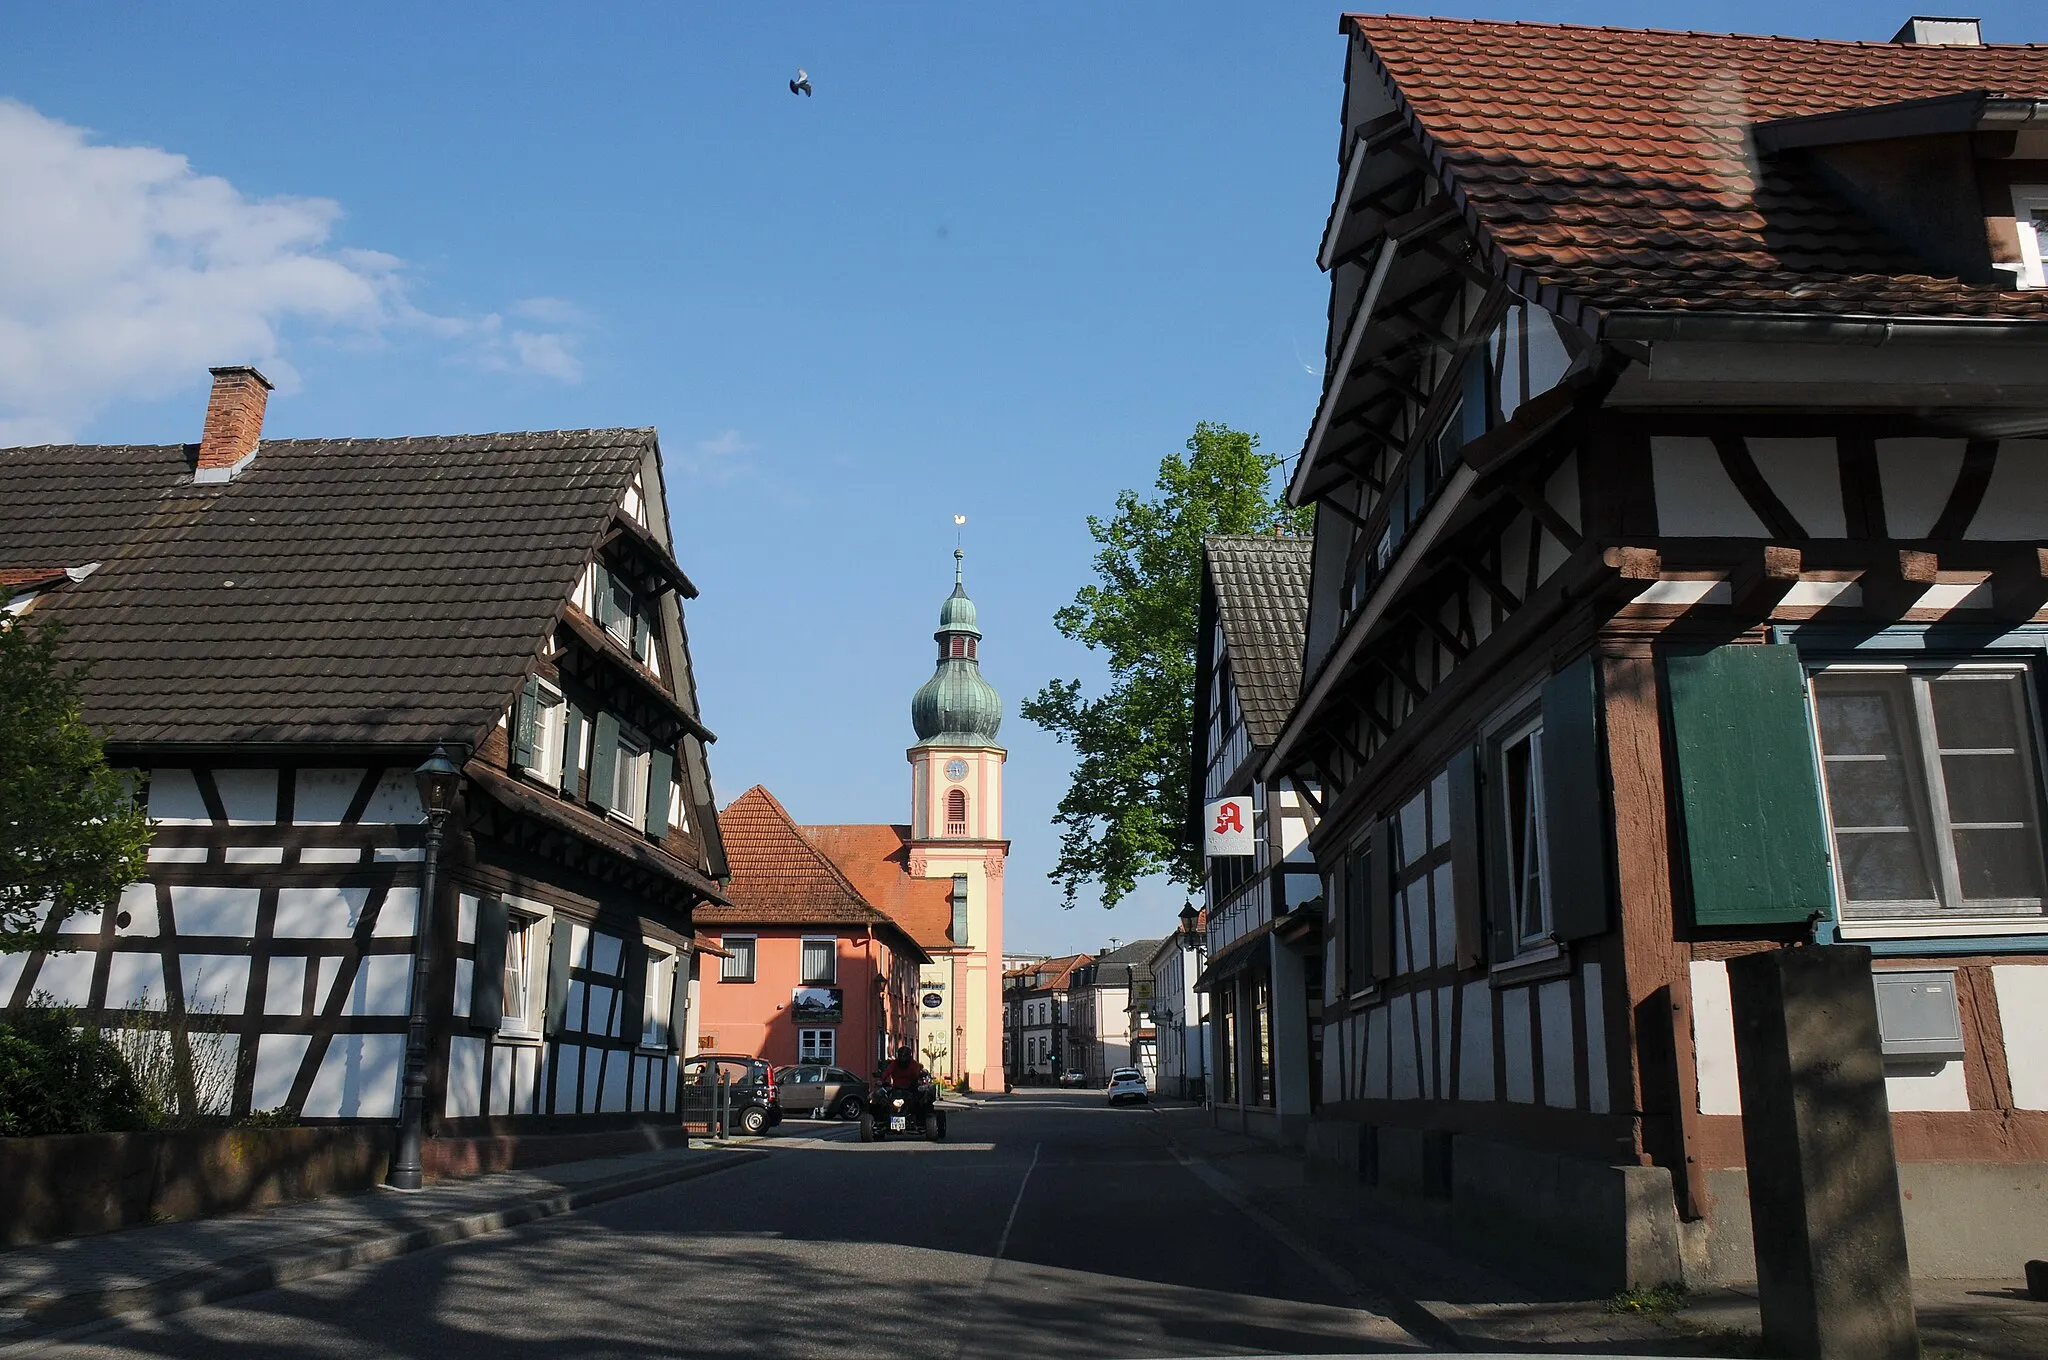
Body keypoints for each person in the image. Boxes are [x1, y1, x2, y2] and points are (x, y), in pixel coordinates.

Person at [875, 1046, 934, 1122]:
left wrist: (920, 1078)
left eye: (904, 1057)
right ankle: (883, 1118)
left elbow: (917, 1074)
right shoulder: (894, 1063)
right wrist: (881, 1079)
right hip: (896, 1089)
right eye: (901, 1057)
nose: (903, 1060)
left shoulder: (914, 1064)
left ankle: (919, 1120)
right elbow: (887, 1072)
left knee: (920, 1102)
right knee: (882, 1099)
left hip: (911, 1089)